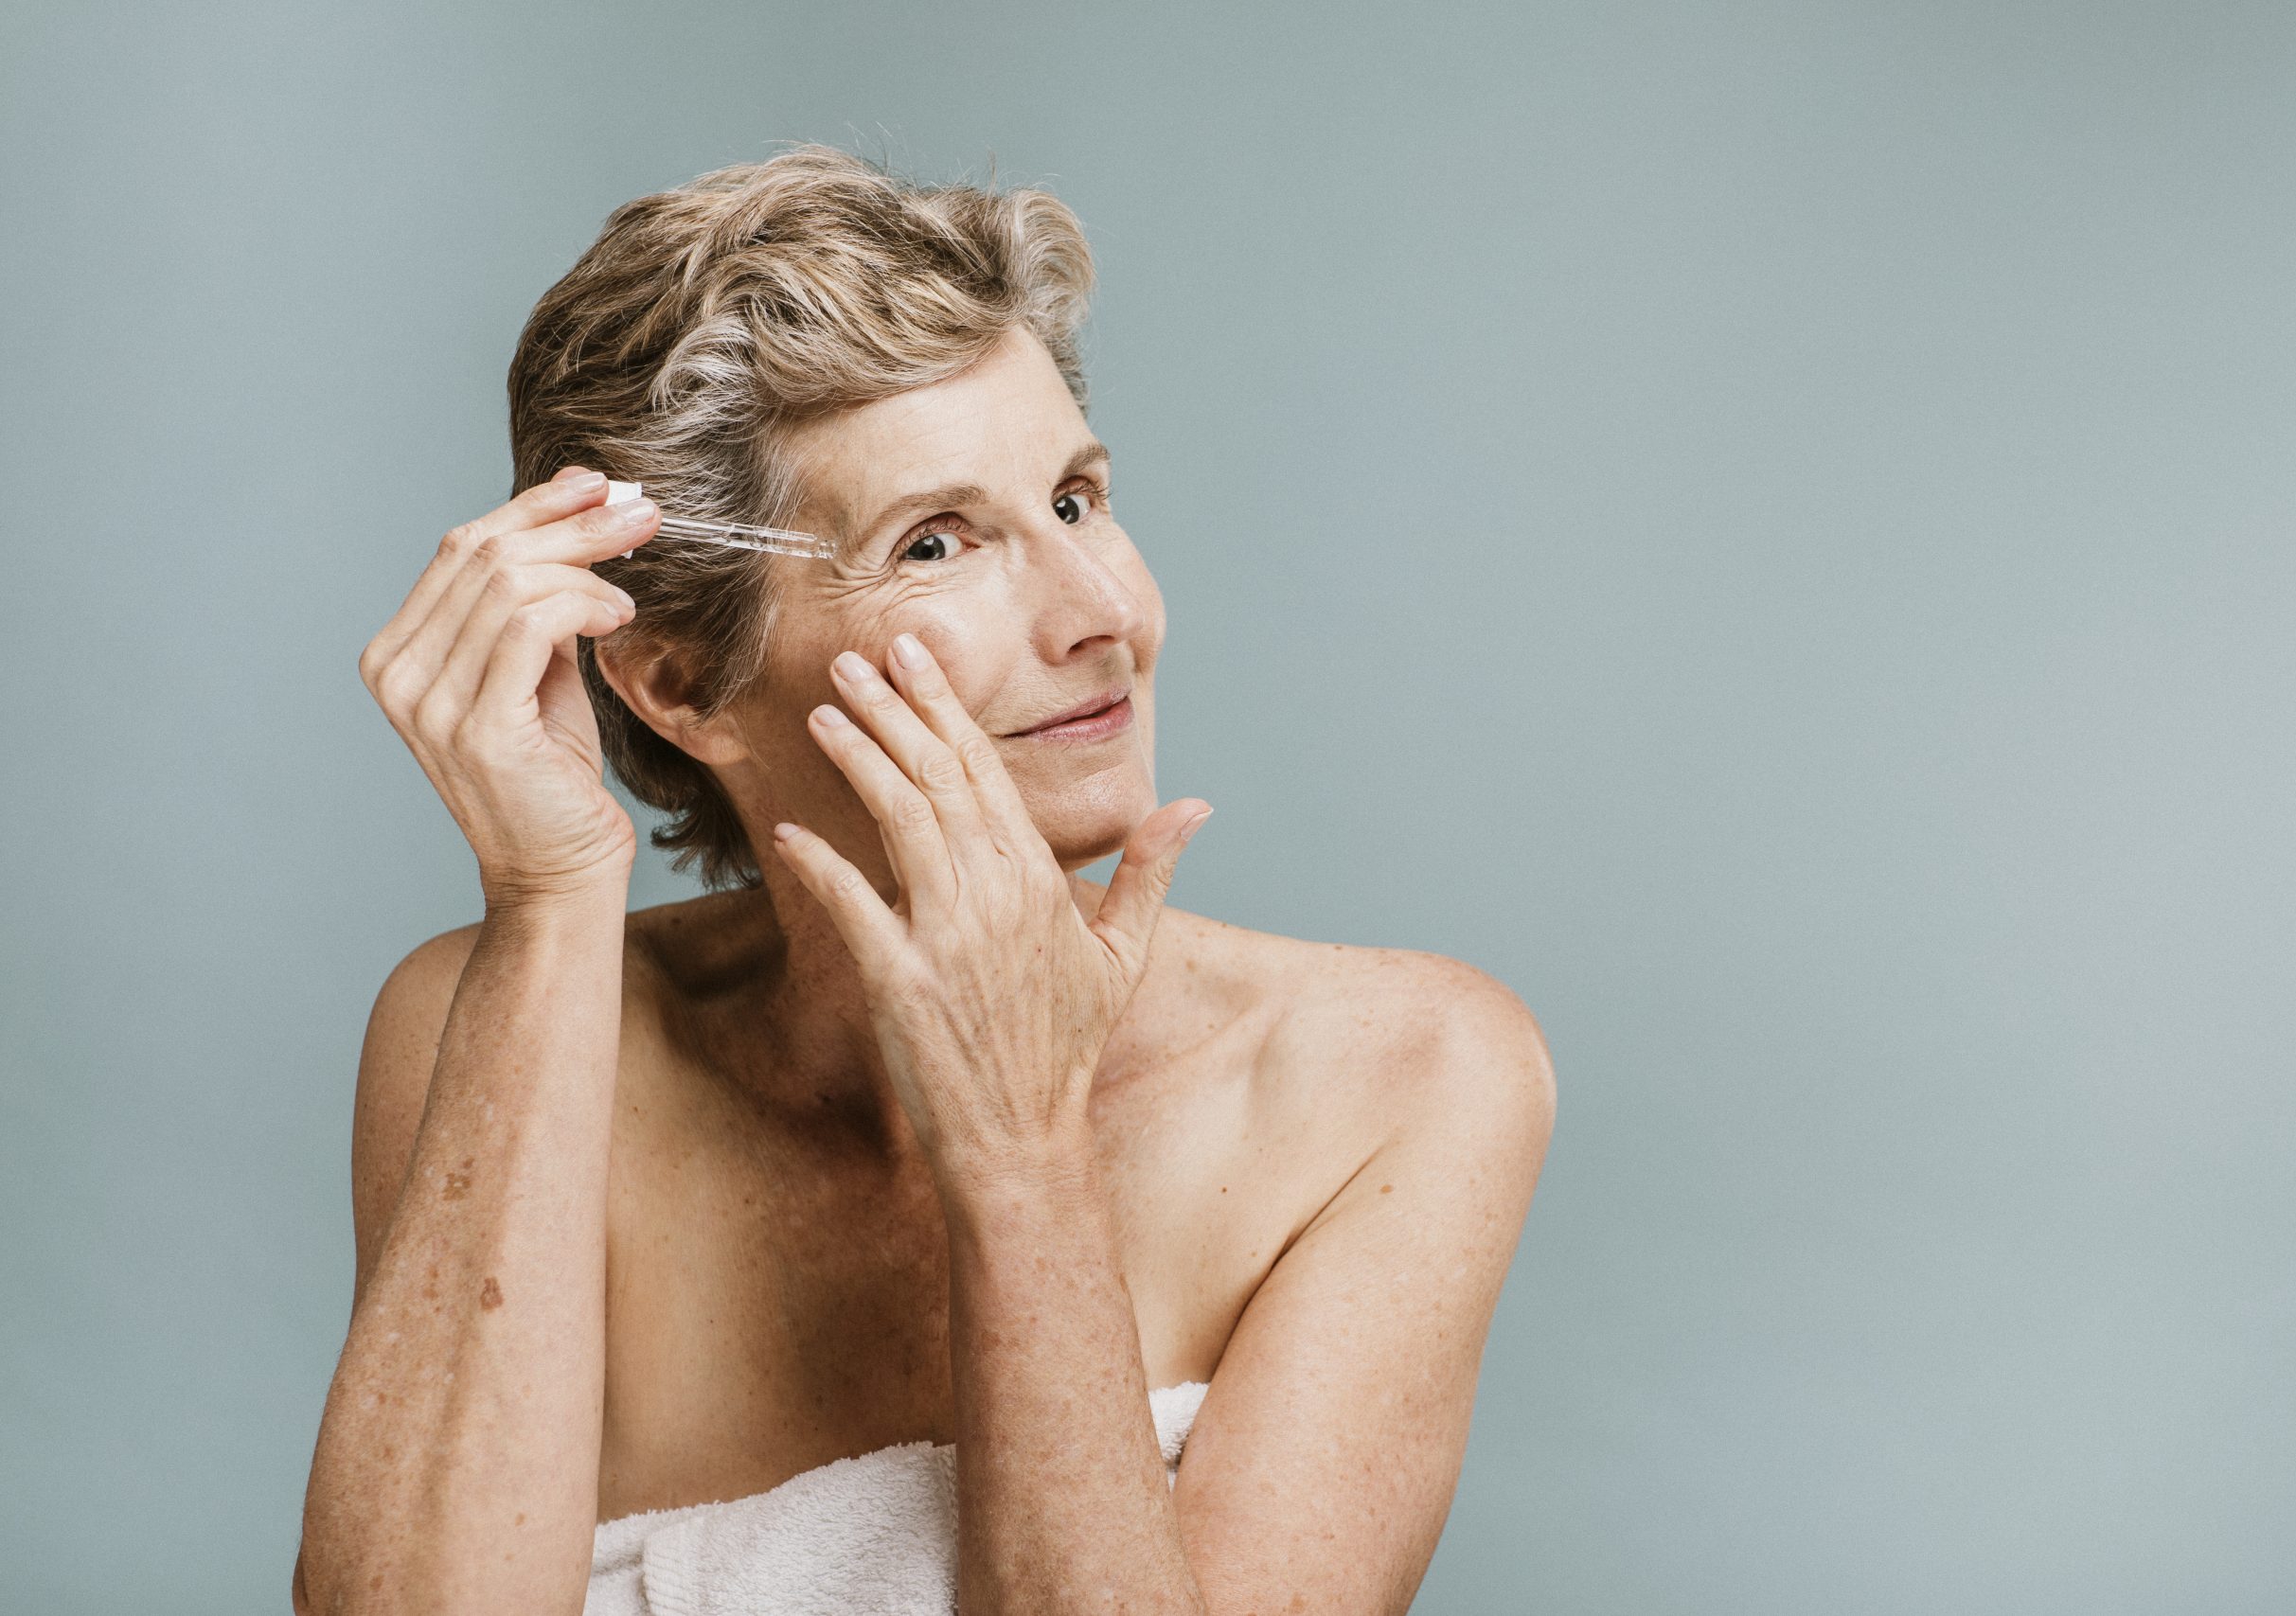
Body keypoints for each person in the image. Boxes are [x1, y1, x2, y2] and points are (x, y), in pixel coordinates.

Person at [293, 144, 1556, 1616]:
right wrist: (555, 895)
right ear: (680, 683)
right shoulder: (483, 1019)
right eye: (939, 543)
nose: (1101, 617)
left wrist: (1024, 1154)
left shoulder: (1406, 1081)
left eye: (1078, 501)